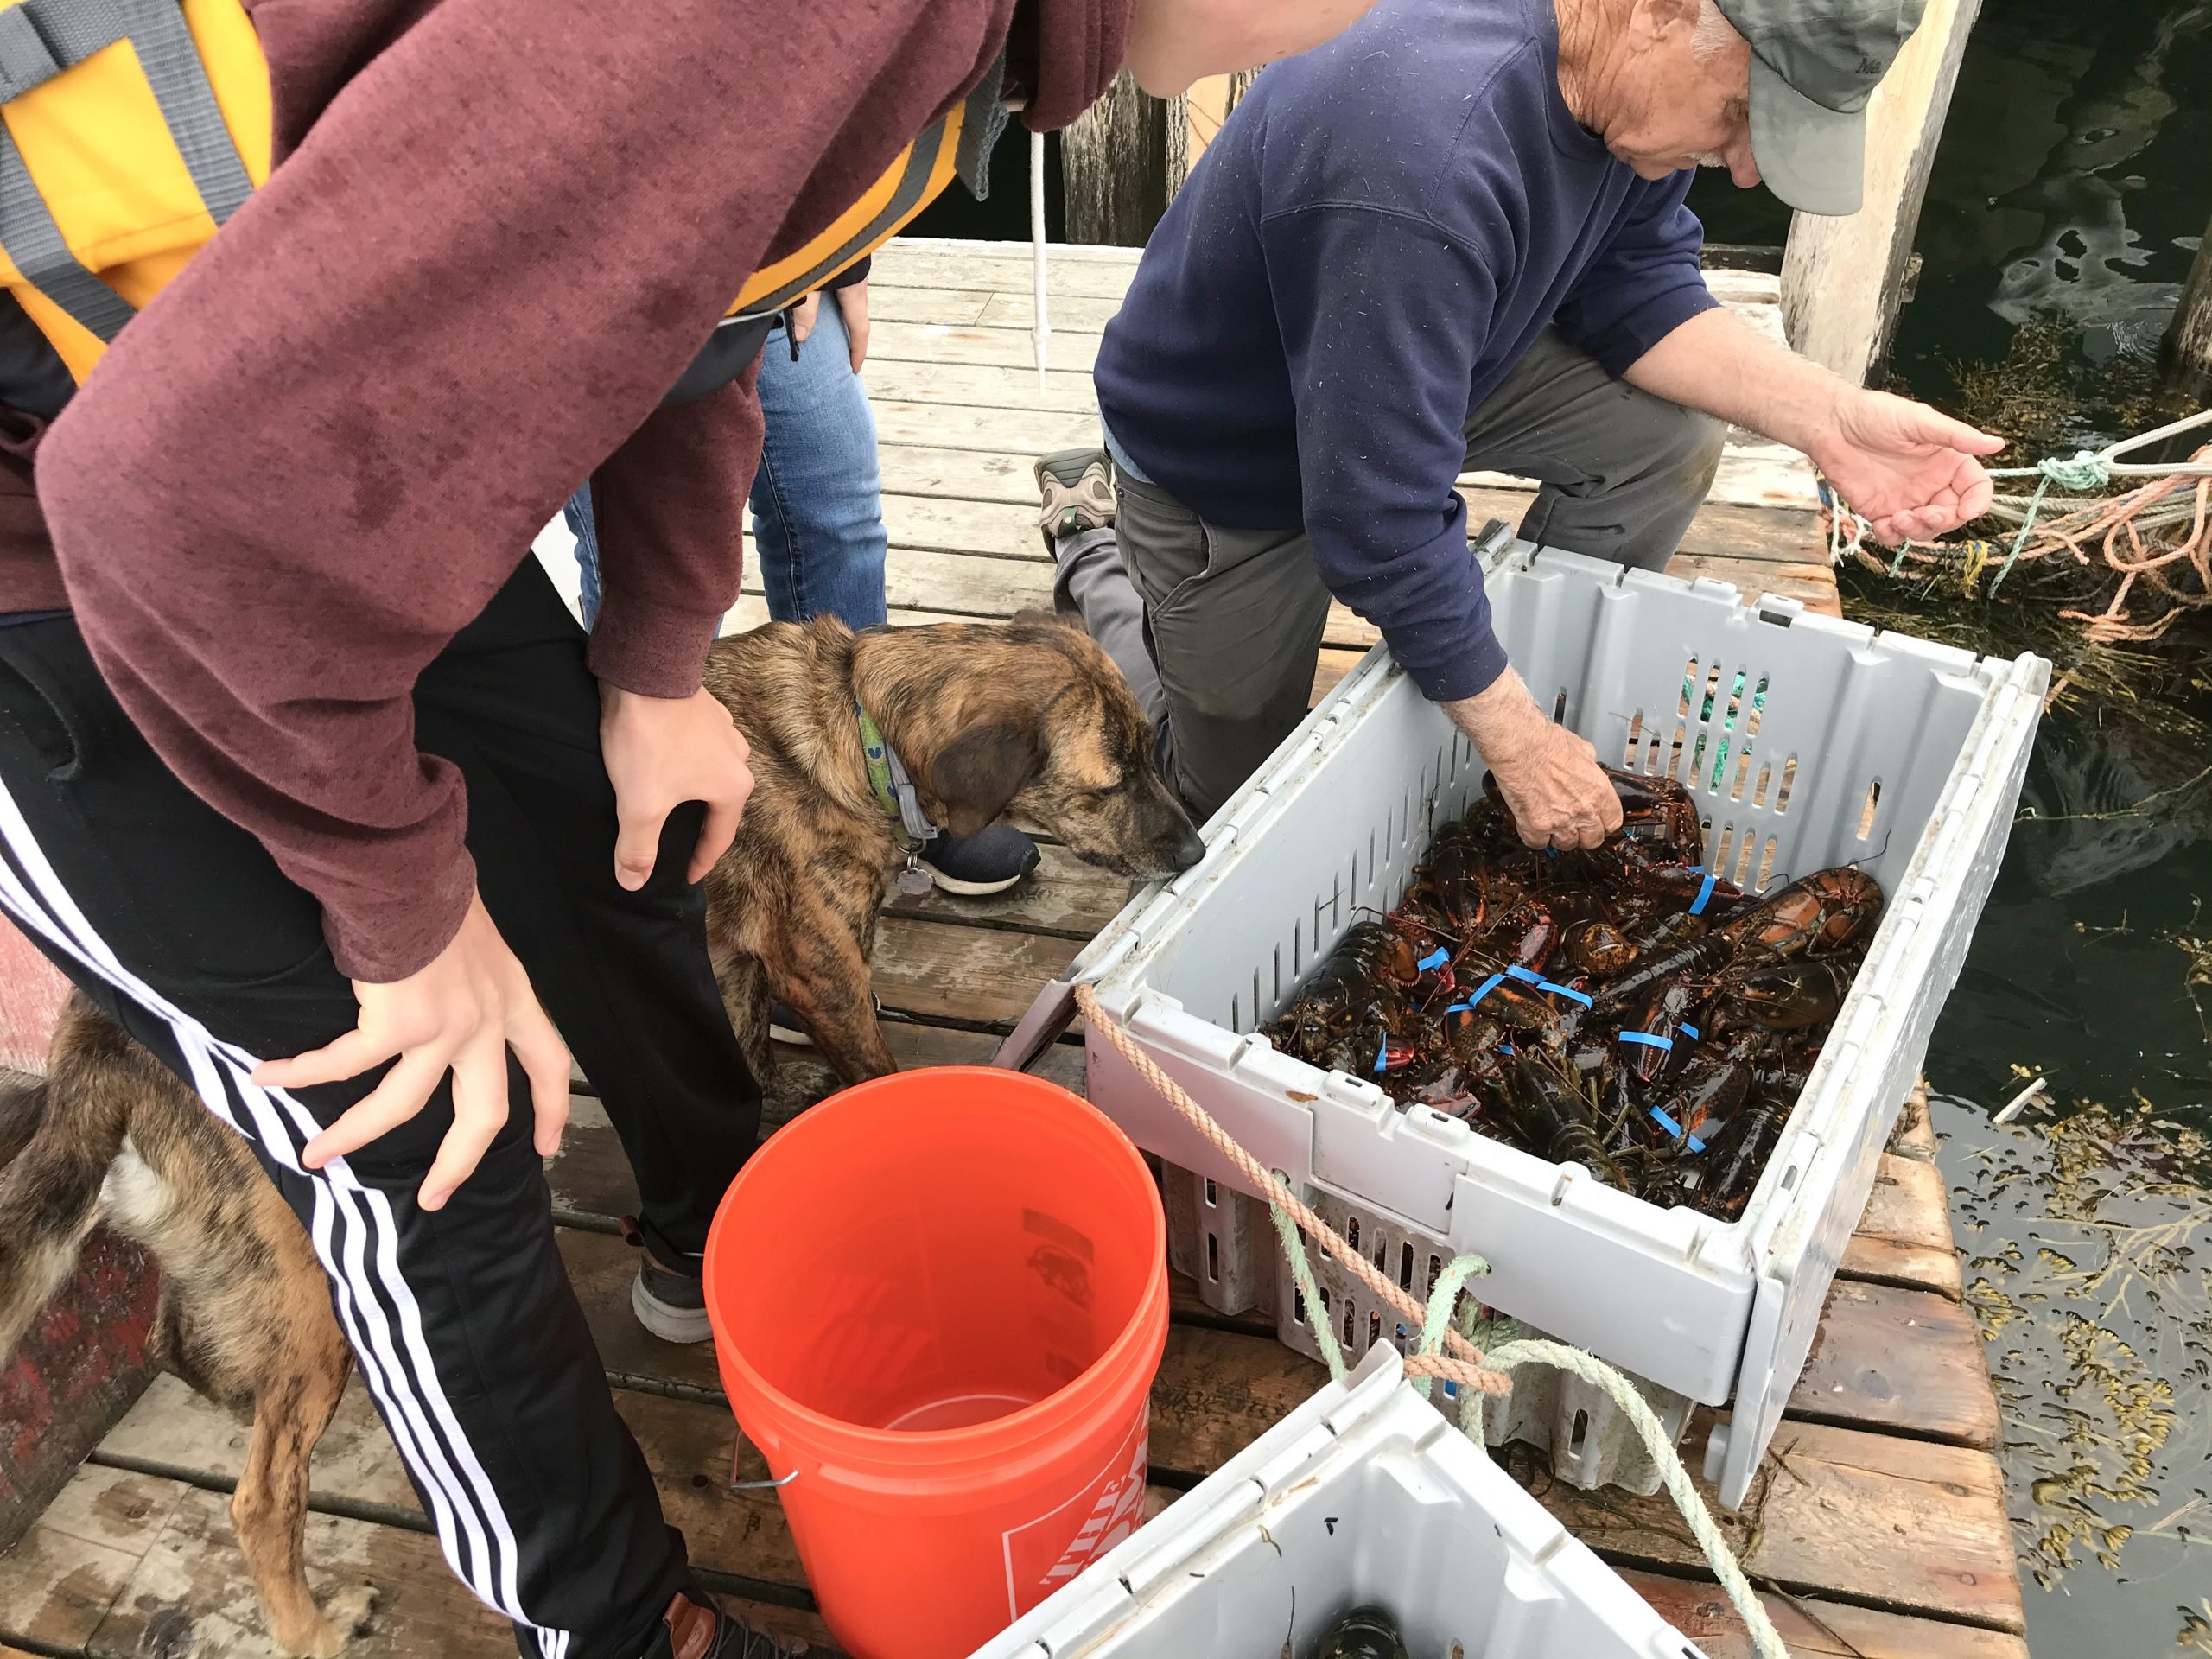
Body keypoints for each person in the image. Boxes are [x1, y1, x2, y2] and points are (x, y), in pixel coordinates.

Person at [0, 3, 1375, 1656]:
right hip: (64, 508)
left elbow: (697, 310)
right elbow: (154, 495)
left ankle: (717, 1241)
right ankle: (622, 1620)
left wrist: (655, 667)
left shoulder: (952, 49)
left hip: (290, 451)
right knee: (429, 1130)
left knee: (624, 851)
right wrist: (405, 911)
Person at [1044, 0, 2006, 846]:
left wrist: (1830, 419)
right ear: (1662, 11)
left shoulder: (1622, 91)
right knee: (1223, 799)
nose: (1746, 169)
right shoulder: (1419, 151)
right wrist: (1515, 738)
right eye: (1743, 114)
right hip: (1226, 458)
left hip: (1405, 372)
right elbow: (1376, 522)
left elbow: (1637, 287)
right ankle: (1094, 546)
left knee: (1661, 440)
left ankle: (1495, 674)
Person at [565, 264, 1042, 896]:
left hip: (769, 268)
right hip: (601, 296)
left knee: (837, 514)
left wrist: (842, 253)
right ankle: (667, 835)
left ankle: (907, 798)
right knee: (641, 589)